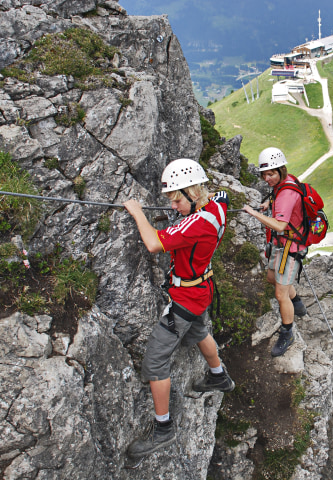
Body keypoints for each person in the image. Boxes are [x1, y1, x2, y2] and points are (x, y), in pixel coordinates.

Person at [123, 158, 234, 460]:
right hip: (202, 290)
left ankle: (163, 429)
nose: (173, 206)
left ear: (194, 193)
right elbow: (223, 196)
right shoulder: (216, 208)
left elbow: (153, 244)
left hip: (186, 298)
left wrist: (137, 213)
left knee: (155, 362)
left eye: (176, 199)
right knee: (199, 330)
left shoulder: (196, 224)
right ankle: (219, 375)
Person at [243, 147, 308, 357]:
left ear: (281, 170)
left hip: (290, 247)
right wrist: (267, 203)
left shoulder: (286, 193)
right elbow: (279, 198)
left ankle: (287, 333)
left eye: (270, 174)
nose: (266, 178)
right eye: (264, 174)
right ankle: (296, 300)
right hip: (283, 245)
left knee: (280, 294)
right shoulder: (286, 183)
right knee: (272, 278)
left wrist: (254, 213)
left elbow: (279, 225)